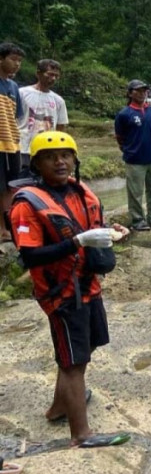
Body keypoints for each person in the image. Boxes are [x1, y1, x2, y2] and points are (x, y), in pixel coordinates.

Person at [9, 131, 131, 448]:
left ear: (75, 160)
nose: (60, 161)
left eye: (65, 155)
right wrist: (76, 242)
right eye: (51, 157)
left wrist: (113, 231)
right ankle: (81, 435)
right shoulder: (27, 204)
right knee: (73, 363)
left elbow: (93, 227)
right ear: (37, 165)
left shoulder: (81, 192)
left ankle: (59, 406)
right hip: (61, 293)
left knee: (82, 352)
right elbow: (30, 256)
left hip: (87, 284)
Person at [114, 79, 151, 231]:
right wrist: (129, 150)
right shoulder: (124, 114)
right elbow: (120, 137)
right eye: (138, 90)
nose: (142, 93)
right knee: (135, 192)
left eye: (144, 90)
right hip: (134, 160)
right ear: (130, 93)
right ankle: (137, 220)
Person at [18, 59, 69, 178]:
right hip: (23, 147)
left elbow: (61, 127)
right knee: (21, 181)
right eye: (50, 74)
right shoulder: (22, 93)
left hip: (46, 149)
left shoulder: (58, 100)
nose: (53, 79)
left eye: (56, 76)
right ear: (38, 73)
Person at [0, 42, 27, 243]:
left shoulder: (13, 87)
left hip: (12, 143)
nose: (17, 64)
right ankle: (2, 229)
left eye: (19, 61)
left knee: (10, 187)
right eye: (13, 59)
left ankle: (7, 228)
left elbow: (17, 115)